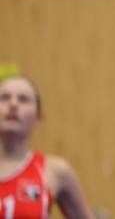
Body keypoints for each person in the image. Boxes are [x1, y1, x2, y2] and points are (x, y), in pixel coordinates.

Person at [0, 75, 94, 218]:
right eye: (5, 98)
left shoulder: (55, 172)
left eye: (23, 99)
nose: (13, 104)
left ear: (38, 117)